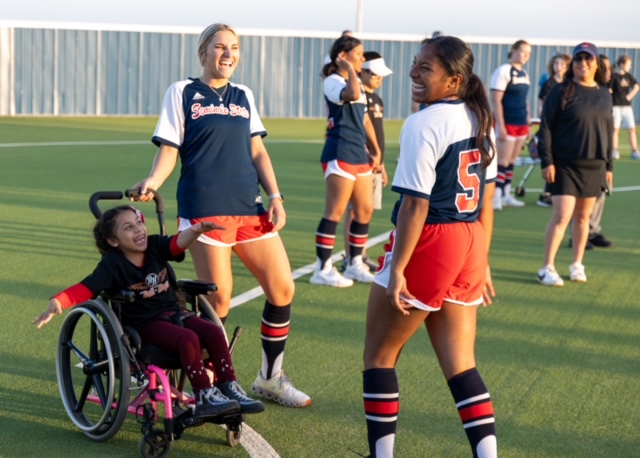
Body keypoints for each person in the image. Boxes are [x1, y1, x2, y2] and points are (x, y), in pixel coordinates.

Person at [132, 23, 311, 408]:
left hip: (249, 208)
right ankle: (209, 382)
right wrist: (153, 180)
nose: (228, 54)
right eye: (219, 47)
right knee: (220, 300)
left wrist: (275, 196)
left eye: (234, 48)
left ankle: (270, 379)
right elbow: (169, 150)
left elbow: (258, 152)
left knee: (282, 288)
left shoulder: (244, 95)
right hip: (205, 209)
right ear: (203, 52)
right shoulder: (182, 92)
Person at [363, 36, 498, 458]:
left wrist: (398, 268)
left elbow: (416, 205)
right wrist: (484, 260)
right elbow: (486, 200)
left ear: (454, 79)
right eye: (415, 64)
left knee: (379, 356)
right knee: (461, 363)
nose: (413, 74)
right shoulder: (479, 116)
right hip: (470, 241)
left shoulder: (424, 122)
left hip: (434, 240)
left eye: (426, 68)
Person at [32, 205, 265, 417]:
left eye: (139, 222)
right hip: (144, 326)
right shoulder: (112, 265)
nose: (139, 229)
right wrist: (59, 301)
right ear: (114, 241)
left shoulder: (154, 246)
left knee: (213, 332)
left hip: (176, 314)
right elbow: (87, 286)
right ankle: (204, 395)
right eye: (129, 227)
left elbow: (176, 243)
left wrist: (196, 230)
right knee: (187, 338)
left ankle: (228, 387)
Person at [536, 42, 613, 286]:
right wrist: (547, 161)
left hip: (594, 166)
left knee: (583, 218)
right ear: (573, 64)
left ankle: (577, 264)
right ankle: (547, 267)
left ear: (596, 63)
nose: (583, 64)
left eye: (588, 59)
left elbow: (607, 131)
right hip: (565, 165)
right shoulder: (561, 91)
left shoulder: (603, 93)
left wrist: (608, 167)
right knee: (562, 216)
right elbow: (546, 127)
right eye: (578, 59)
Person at [310, 35, 383, 287]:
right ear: (343, 55)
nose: (363, 59)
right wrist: (349, 70)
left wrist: (375, 150)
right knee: (336, 212)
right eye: (359, 54)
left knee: (364, 210)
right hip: (339, 151)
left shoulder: (357, 83)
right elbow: (351, 94)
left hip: (358, 153)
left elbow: (363, 119)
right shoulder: (333, 80)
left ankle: (354, 264)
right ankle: (323, 268)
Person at [342, 51, 393, 272]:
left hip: (375, 164)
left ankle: (360, 254)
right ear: (362, 72)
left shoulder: (377, 99)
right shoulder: (359, 97)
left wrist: (382, 163)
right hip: (362, 162)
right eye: (374, 74)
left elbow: (378, 134)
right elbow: (359, 129)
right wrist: (369, 155)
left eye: (381, 75)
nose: (379, 79)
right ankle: (350, 256)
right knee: (355, 211)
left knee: (367, 211)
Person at [569, 54, 615, 250]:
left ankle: (592, 230)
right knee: (575, 203)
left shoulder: (604, 94)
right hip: (577, 157)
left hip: (599, 156)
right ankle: (577, 235)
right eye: (604, 67)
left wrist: (609, 163)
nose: (607, 71)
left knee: (600, 194)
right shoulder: (577, 91)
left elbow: (608, 129)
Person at [490, 39, 532, 210]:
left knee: (512, 160)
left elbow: (525, 100)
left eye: (528, 53)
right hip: (507, 123)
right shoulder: (503, 71)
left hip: (521, 123)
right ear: (514, 50)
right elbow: (496, 101)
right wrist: (501, 126)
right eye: (522, 51)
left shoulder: (525, 74)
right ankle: (496, 197)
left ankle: (507, 194)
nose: (525, 56)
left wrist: (528, 122)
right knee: (503, 160)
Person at [536, 53, 572, 207]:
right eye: (557, 64)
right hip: (551, 126)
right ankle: (547, 194)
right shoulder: (548, 84)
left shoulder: (569, 84)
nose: (559, 67)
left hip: (564, 128)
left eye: (563, 64)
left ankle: (558, 192)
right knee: (550, 159)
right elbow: (541, 102)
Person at [609, 54, 640, 160]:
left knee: (632, 129)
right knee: (615, 130)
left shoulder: (628, 76)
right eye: (628, 64)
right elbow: (610, 90)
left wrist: (630, 96)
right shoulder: (614, 77)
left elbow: (636, 87)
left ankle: (635, 151)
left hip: (627, 108)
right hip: (616, 107)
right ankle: (615, 151)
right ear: (622, 64)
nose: (630, 67)